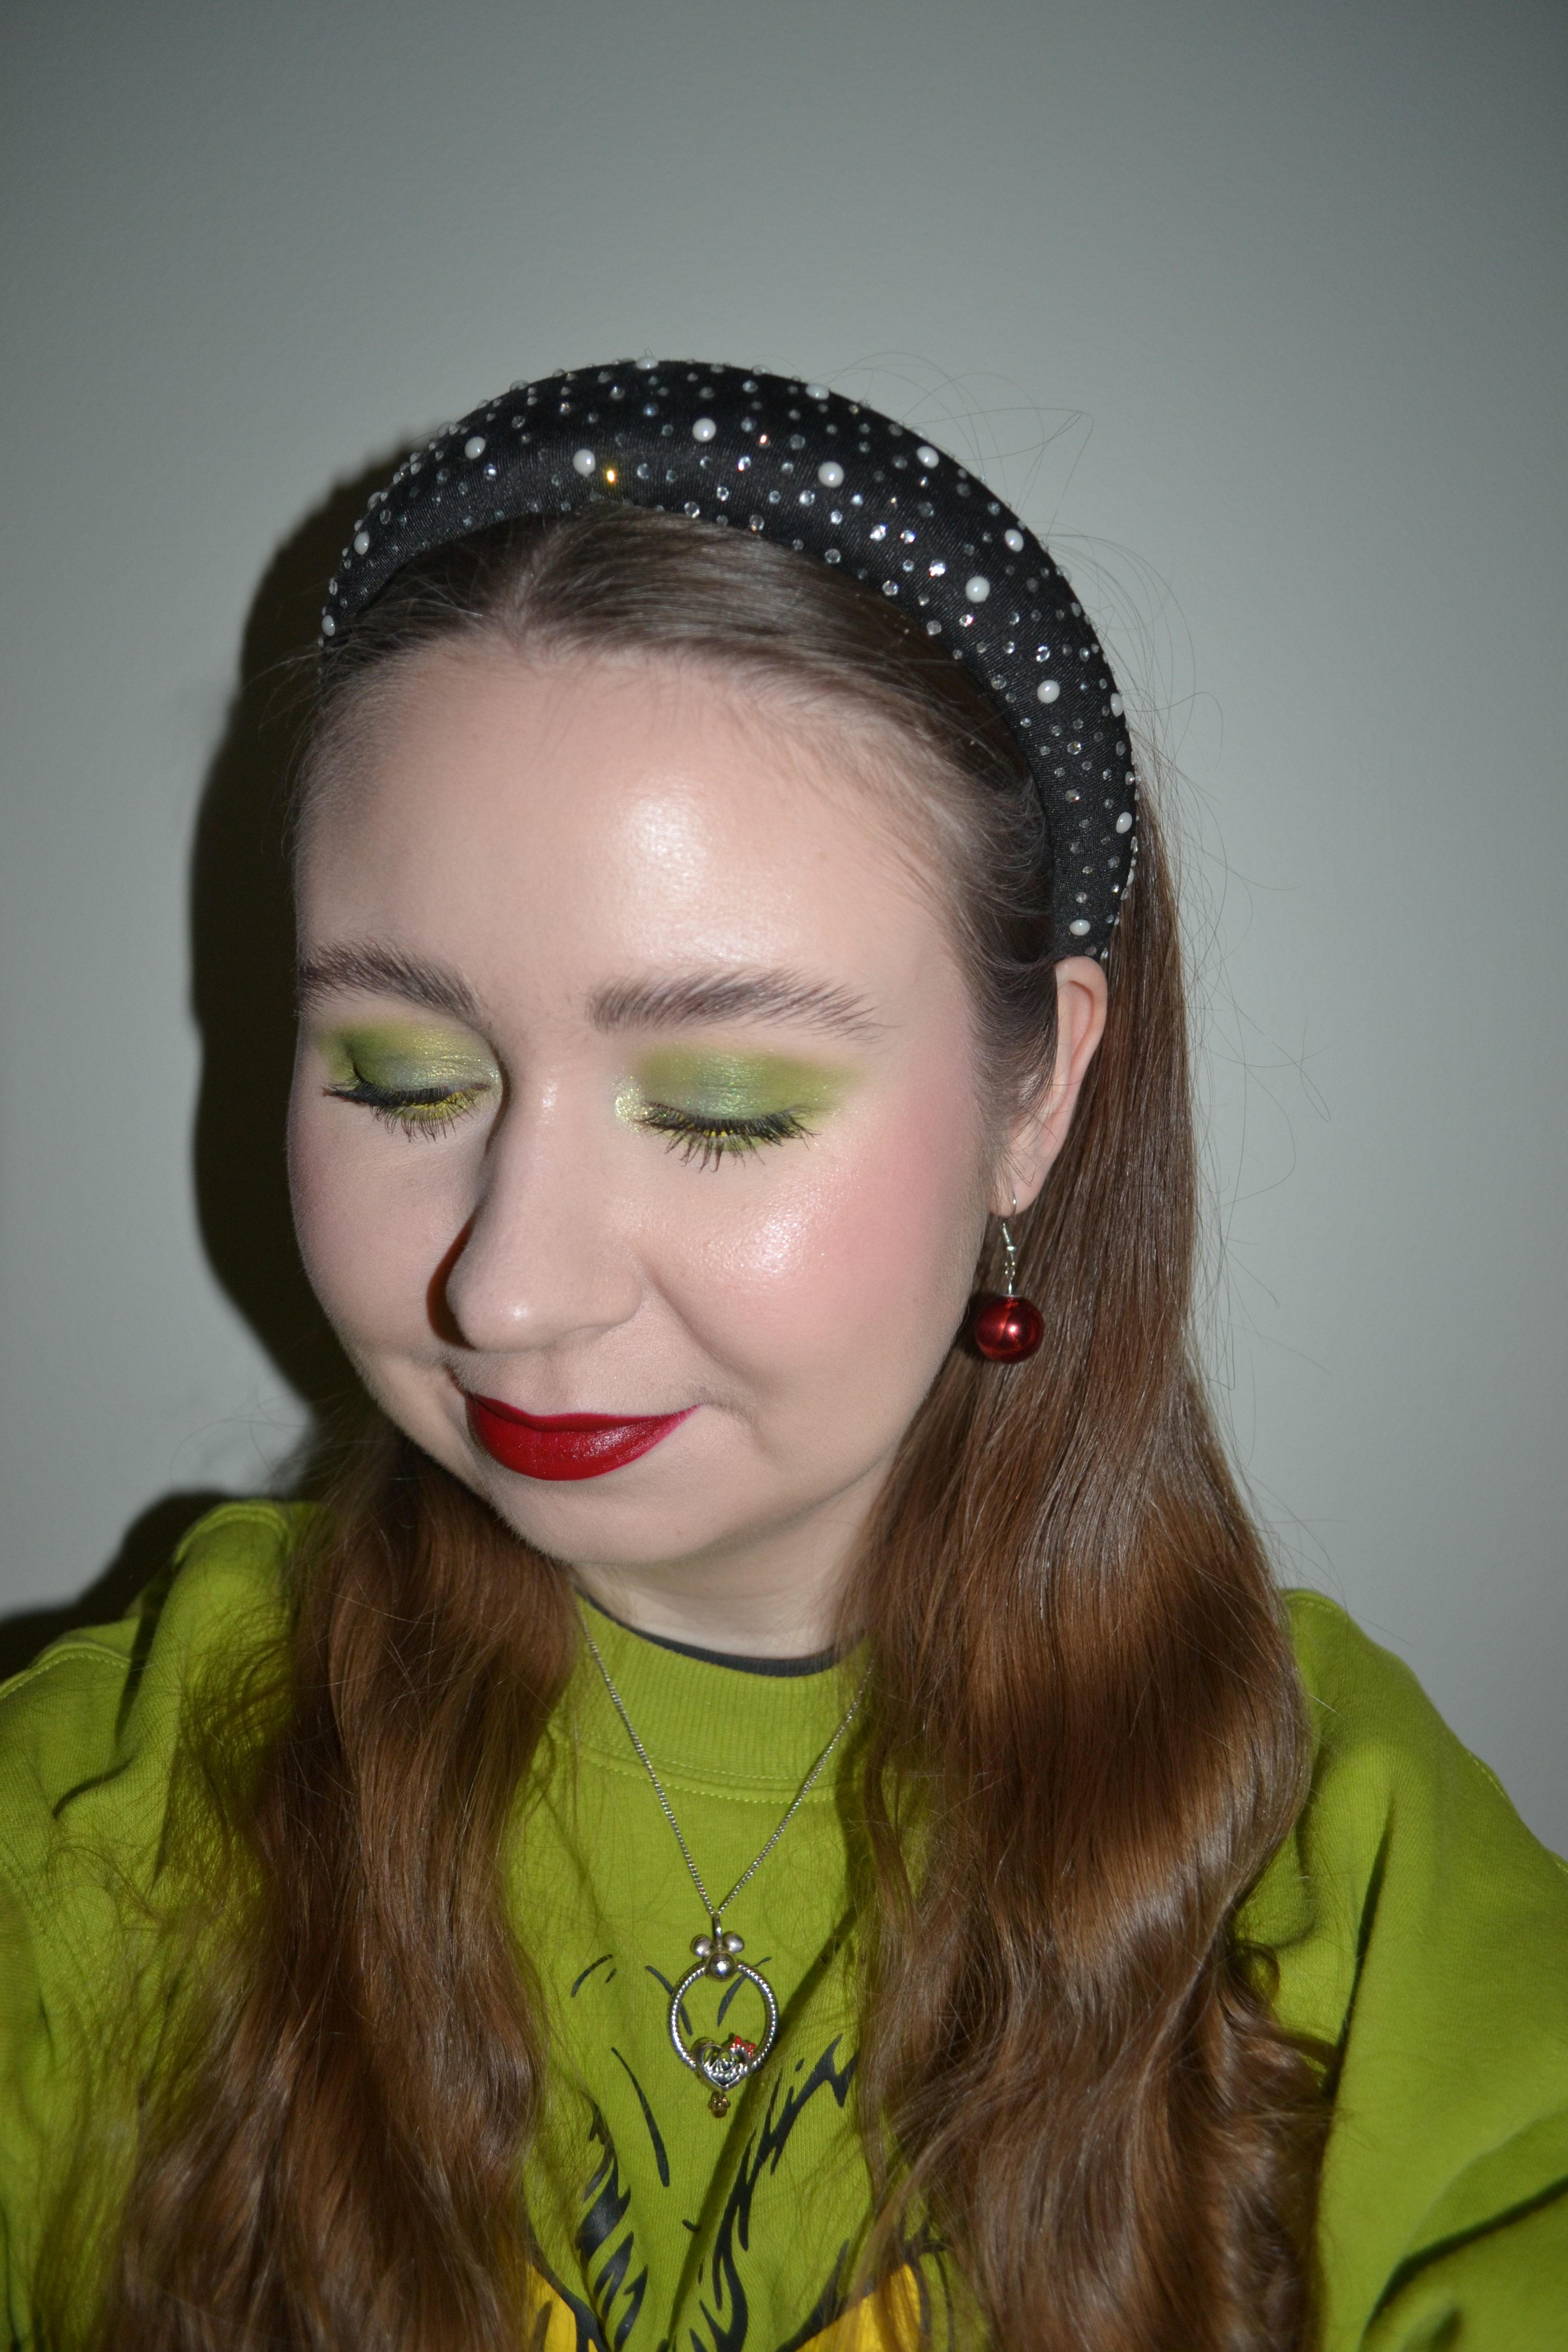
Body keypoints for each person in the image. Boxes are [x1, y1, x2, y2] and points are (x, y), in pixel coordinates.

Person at [0, 362, 1563, 2352]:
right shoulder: (119, 1811)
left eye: (721, 1105)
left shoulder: (1346, 1888)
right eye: (401, 1075)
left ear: (1037, 1094)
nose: (511, 1291)